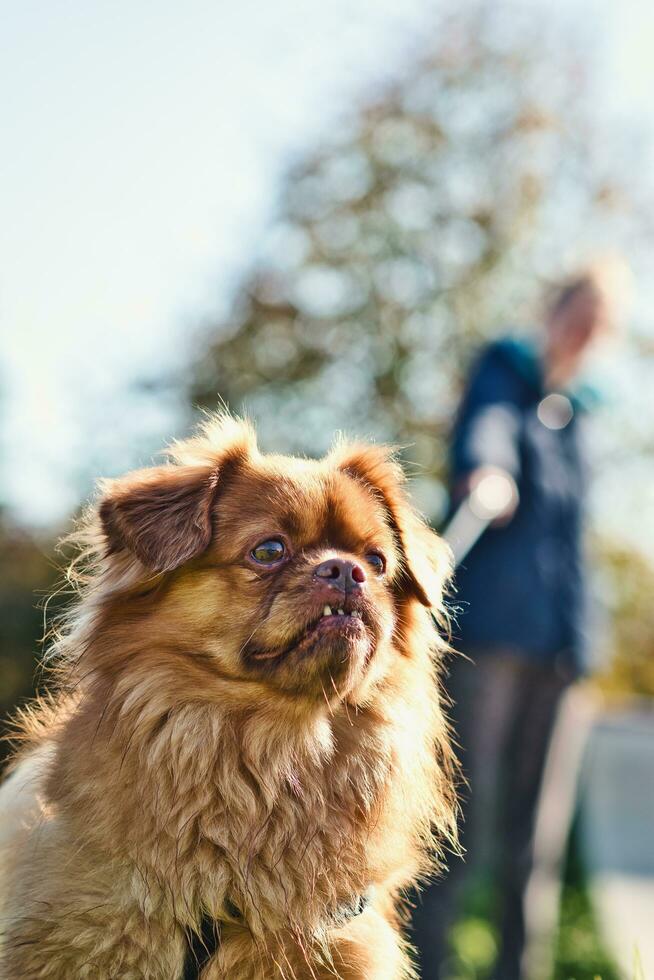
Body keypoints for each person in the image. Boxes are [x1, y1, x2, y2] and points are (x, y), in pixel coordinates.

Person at [411, 258, 629, 980]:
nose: (584, 332)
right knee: (458, 824)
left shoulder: (585, 413)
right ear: (555, 308)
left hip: (563, 648)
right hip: (493, 636)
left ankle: (516, 969)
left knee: (534, 840)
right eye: (578, 315)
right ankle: (425, 965)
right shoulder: (504, 371)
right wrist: (487, 472)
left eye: (598, 324)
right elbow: (489, 429)